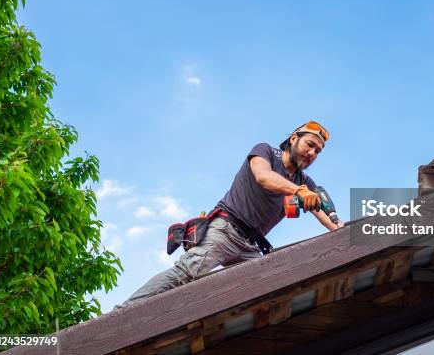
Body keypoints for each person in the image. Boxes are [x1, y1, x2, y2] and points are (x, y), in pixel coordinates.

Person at [117, 120, 343, 307]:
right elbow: (263, 177)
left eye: (317, 151)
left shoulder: (305, 182)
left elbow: (327, 216)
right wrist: (299, 192)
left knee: (268, 291)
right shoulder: (266, 152)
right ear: (294, 138)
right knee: (186, 273)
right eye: (310, 144)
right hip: (225, 230)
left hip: (250, 246)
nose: (312, 153)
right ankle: (123, 312)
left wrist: (343, 229)